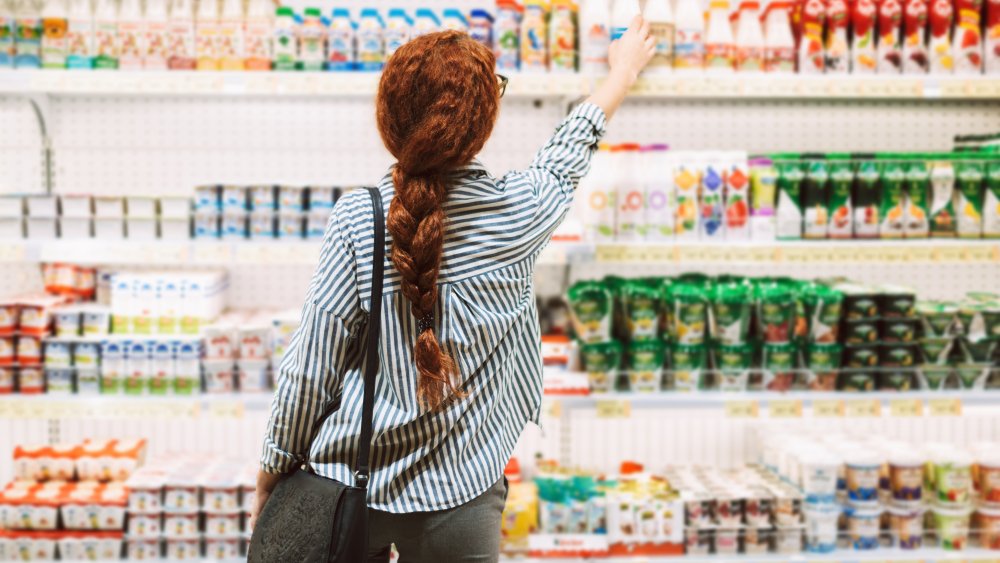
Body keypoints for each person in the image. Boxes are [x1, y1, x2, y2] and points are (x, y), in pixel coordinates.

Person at [252, 15, 655, 563]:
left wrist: (272, 469)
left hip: (352, 489)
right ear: (481, 122)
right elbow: (569, 148)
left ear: (388, 119)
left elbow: (311, 365)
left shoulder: (359, 219)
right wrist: (621, 75)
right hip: (464, 496)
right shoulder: (520, 213)